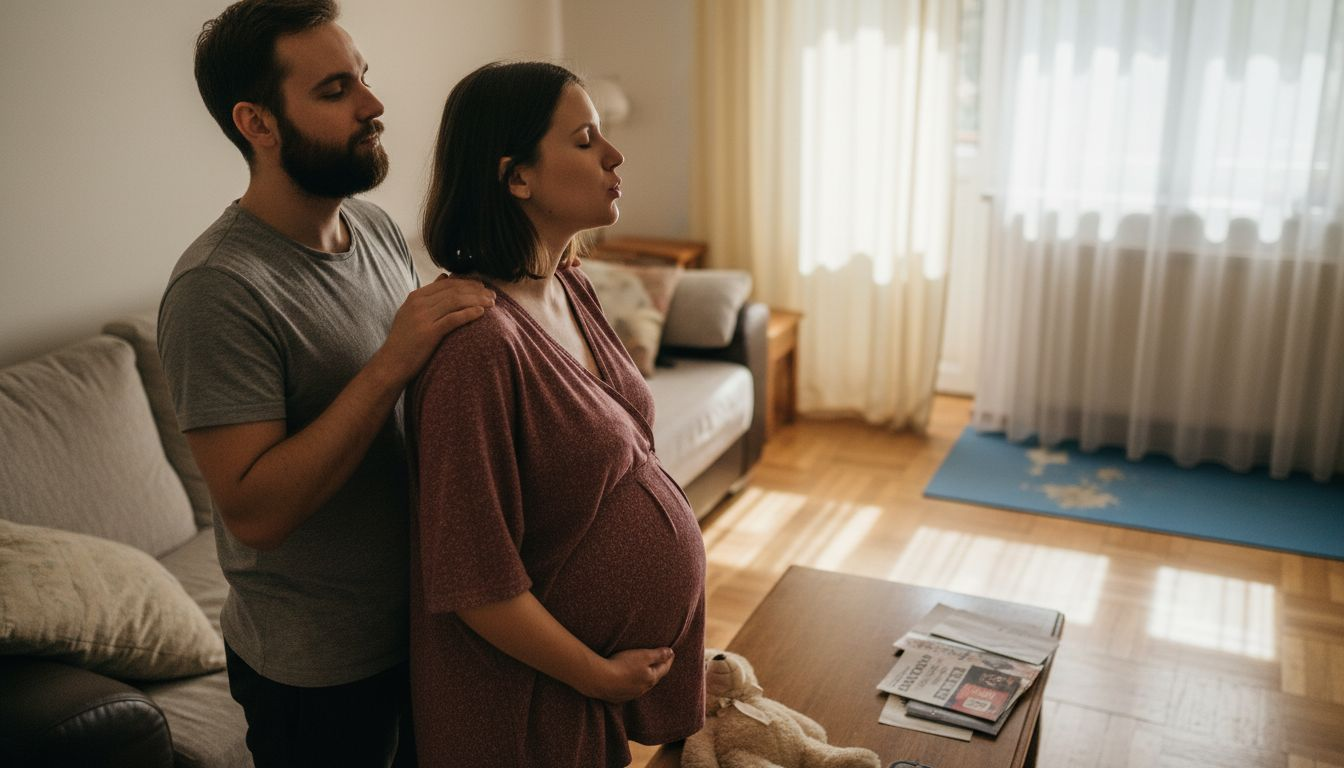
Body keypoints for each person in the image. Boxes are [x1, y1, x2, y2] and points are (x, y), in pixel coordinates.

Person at [157, 1, 494, 765]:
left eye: (363, 78)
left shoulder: (373, 228)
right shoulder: (219, 288)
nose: (373, 105)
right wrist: (391, 362)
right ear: (258, 123)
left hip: (424, 624)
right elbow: (256, 512)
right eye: (336, 91)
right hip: (318, 674)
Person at [408, 61, 707, 767]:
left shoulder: (570, 286)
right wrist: (596, 675)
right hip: (523, 710)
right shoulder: (476, 347)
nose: (614, 155)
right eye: (584, 140)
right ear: (517, 177)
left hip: (582, 692)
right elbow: (473, 579)